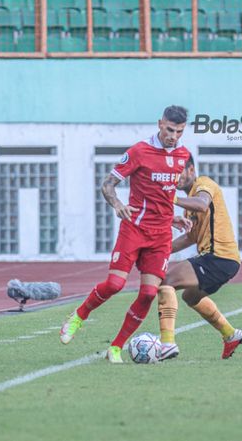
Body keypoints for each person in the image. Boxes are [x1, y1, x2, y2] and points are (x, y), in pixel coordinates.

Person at [59, 106, 193, 364]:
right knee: (114, 285)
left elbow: (164, 193)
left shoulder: (183, 155)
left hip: (161, 234)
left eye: (179, 131)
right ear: (159, 124)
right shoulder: (139, 151)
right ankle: (78, 316)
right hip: (134, 228)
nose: (173, 136)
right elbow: (108, 184)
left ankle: (116, 347)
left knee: (148, 294)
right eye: (169, 129)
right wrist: (118, 205)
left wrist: (172, 216)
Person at [157, 156, 242, 361]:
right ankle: (230, 334)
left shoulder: (203, 184)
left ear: (191, 169)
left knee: (166, 281)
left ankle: (167, 344)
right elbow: (191, 237)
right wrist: (160, 250)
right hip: (221, 260)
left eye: (178, 173)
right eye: (172, 175)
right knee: (190, 296)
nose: (175, 179)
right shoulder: (189, 207)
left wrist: (172, 199)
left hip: (218, 257)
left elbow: (203, 203)